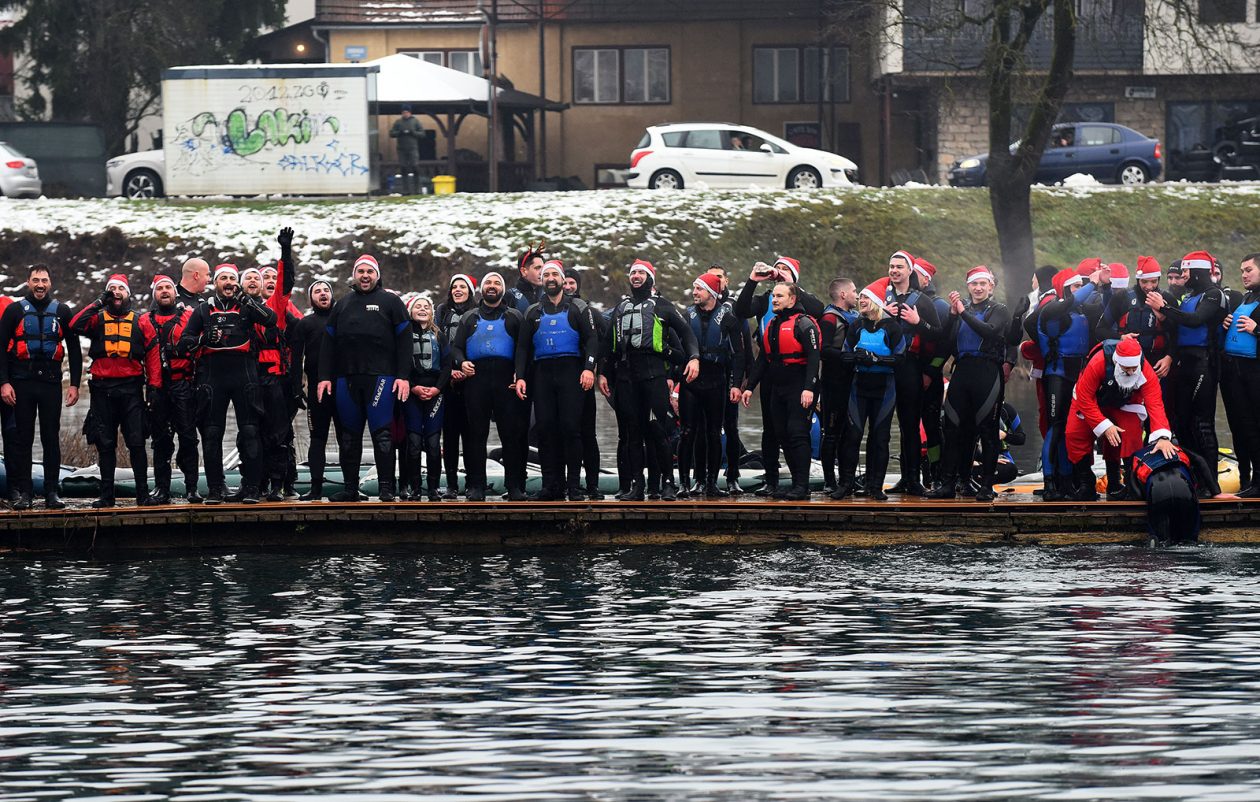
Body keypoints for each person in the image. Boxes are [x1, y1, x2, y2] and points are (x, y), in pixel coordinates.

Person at [599, 259, 699, 501]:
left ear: (650, 278)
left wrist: (694, 358)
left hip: (653, 378)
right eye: (633, 272)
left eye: (641, 273)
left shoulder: (663, 306)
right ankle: (637, 485)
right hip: (626, 380)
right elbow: (607, 347)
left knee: (656, 431)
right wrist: (602, 372)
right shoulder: (621, 308)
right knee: (633, 434)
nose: (636, 276)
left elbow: (686, 334)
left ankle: (667, 484)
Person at [316, 254, 411, 502]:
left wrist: (403, 376)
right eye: (361, 272)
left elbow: (405, 341)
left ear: (377, 275)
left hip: (381, 378)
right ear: (354, 275)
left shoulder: (391, 302)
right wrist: (324, 377)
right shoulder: (343, 304)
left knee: (382, 436)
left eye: (370, 271)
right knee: (348, 437)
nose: (365, 276)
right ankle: (350, 489)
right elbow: (328, 344)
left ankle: (386, 489)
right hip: (346, 379)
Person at [178, 263, 275, 504]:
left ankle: (252, 488)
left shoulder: (247, 306)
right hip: (213, 377)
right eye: (224, 278)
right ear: (216, 283)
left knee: (251, 431)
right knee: (211, 434)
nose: (229, 282)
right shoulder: (203, 310)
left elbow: (271, 320)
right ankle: (215, 489)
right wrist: (202, 338)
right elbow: (183, 343)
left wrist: (249, 301)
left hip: (245, 374)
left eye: (233, 278)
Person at [733, 256, 824, 494]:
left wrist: (809, 387)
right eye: (777, 269)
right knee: (773, 431)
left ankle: (800, 484)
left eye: (785, 270)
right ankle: (772, 482)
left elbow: (819, 311)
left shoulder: (803, 314)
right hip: (773, 376)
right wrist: (753, 280)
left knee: (796, 432)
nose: (778, 273)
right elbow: (741, 310)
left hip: (798, 378)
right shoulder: (767, 302)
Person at [515, 260, 599, 501]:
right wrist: (520, 376)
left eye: (555, 274)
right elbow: (522, 348)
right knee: (546, 429)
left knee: (571, 429)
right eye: (546, 275)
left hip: (571, 371)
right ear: (541, 281)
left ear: (563, 280)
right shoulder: (532, 311)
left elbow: (592, 340)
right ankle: (551, 485)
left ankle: (573, 486)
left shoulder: (578, 307)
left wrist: (589, 368)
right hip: (542, 374)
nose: (550, 278)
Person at [0, 264, 81, 510]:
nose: (40, 285)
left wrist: (75, 384)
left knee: (50, 438)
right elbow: (1, 350)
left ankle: (51, 492)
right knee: (23, 439)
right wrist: (4, 383)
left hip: (50, 384)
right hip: (21, 384)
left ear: (50, 283)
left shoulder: (62, 311)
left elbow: (75, 351)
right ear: (28, 282)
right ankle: (25, 493)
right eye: (36, 280)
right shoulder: (14, 311)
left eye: (44, 280)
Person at [927, 266, 1011, 502]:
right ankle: (950, 482)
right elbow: (944, 341)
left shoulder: (999, 309)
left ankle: (986, 485)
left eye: (983, 284)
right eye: (974, 284)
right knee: (953, 428)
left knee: (987, 430)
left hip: (987, 373)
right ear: (968, 286)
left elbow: (990, 332)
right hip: (962, 372)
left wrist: (962, 312)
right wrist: (953, 316)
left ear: (991, 287)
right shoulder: (960, 309)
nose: (978, 288)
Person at [69, 275, 152, 508]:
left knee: (136, 443)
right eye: (112, 289)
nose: (116, 292)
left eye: (120, 289)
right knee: (105, 444)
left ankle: (143, 495)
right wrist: (98, 302)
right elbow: (74, 325)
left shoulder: (141, 321)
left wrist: (153, 388)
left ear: (128, 294)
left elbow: (153, 356)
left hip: (131, 390)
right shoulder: (96, 319)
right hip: (102, 390)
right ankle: (107, 497)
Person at [1065, 337, 1173, 501]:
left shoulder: (1145, 370)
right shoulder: (1097, 363)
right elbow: (1084, 397)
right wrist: (1105, 426)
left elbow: (1155, 403)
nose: (1130, 372)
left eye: (1133, 368)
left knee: (1131, 435)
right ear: (1117, 362)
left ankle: (1121, 483)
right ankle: (1086, 482)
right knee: (1074, 434)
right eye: (1126, 368)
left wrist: (1163, 437)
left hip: (1125, 403)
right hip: (1089, 400)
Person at [451, 271, 528, 501]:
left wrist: (520, 374)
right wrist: (462, 362)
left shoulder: (514, 316)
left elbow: (523, 349)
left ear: (502, 290)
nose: (492, 286)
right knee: (476, 434)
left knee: (510, 434)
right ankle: (476, 485)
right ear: (481, 290)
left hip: (506, 380)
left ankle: (514, 486)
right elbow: (456, 347)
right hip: (477, 379)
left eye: (497, 283)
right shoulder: (470, 317)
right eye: (488, 283)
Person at [1145, 250, 1224, 472]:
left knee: (1202, 424)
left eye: (1187, 270)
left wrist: (1165, 308)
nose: (1184, 275)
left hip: (1204, 363)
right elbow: (1178, 328)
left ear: (1198, 270)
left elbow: (1196, 320)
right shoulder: (1188, 297)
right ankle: (1195, 473)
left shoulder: (1213, 294)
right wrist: (1163, 317)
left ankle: (1212, 482)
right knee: (1181, 421)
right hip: (1185, 363)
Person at [1027, 264, 1099, 499]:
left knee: (1069, 430)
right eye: (1076, 285)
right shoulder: (1052, 310)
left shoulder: (1079, 312)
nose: (1080, 289)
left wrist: (1105, 284)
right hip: (1056, 376)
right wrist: (1093, 283)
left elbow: (1104, 308)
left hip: (1076, 376)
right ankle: (1050, 484)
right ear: (1064, 288)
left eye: (1081, 285)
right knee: (1056, 427)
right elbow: (1068, 302)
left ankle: (1067, 483)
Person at [833, 281, 905, 500]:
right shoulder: (856, 325)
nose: (861, 301)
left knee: (880, 438)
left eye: (866, 298)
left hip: (884, 389)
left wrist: (877, 359)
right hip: (859, 388)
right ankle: (846, 485)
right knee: (852, 436)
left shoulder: (892, 327)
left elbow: (901, 359)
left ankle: (875, 487)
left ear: (877, 302)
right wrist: (855, 357)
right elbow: (844, 354)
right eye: (860, 297)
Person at [881, 250, 942, 496]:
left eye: (899, 267)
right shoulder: (884, 297)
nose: (894, 270)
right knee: (887, 425)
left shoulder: (922, 300)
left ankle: (915, 479)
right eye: (891, 266)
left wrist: (918, 322)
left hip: (910, 367)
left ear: (909, 271)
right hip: (886, 367)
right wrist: (881, 315)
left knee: (910, 424)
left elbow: (938, 334)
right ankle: (901, 478)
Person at [679, 272, 744, 497]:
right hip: (691, 380)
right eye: (694, 288)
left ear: (712, 293)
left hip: (717, 380)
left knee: (714, 433)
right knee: (688, 432)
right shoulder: (686, 316)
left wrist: (736, 384)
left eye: (700, 289)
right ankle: (686, 483)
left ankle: (711, 483)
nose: (694, 293)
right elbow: (677, 348)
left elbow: (738, 355)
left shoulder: (729, 319)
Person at [138, 273, 199, 505]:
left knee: (188, 438)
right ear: (155, 295)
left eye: (168, 287)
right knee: (161, 441)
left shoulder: (190, 317)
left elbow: (201, 349)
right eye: (160, 289)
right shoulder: (143, 321)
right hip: (156, 388)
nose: (164, 291)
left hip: (183, 385)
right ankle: (161, 489)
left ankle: (192, 488)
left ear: (175, 292)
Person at [288, 279, 337, 501]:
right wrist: (297, 387)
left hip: (344, 387)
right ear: (311, 298)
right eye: (317, 291)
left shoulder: (343, 320)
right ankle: (315, 488)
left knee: (348, 438)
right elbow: (296, 358)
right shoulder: (305, 324)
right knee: (318, 437)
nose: (323, 294)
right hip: (317, 389)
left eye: (326, 290)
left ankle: (351, 487)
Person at [1220, 252, 1260, 497]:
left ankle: (1258, 483)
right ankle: (1247, 479)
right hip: (1238, 371)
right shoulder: (1246, 297)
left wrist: (1258, 330)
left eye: (1249, 270)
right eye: (1242, 270)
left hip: (1256, 372)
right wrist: (1228, 323)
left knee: (1256, 427)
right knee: (1243, 428)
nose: (1243, 275)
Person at [564, 269, 606, 499]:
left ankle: (592, 485)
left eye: (572, 283)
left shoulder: (588, 310)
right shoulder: (550, 309)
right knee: (566, 433)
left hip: (585, 379)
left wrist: (599, 369)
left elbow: (605, 339)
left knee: (587, 434)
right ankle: (567, 484)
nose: (568, 286)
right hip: (561, 380)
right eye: (565, 282)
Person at [404, 296, 451, 501]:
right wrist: (413, 387)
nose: (422, 310)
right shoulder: (404, 335)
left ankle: (433, 488)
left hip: (435, 393)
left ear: (432, 313)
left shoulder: (439, 335)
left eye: (426, 307)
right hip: (412, 393)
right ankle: (415, 488)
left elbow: (447, 365)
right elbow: (399, 364)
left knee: (432, 443)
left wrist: (437, 389)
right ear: (410, 311)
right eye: (418, 306)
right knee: (413, 442)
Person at [436, 274, 477, 499]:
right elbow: (437, 344)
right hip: (448, 381)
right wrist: (448, 372)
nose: (458, 290)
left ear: (470, 291)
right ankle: (451, 484)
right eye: (455, 287)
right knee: (449, 436)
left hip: (472, 381)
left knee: (471, 435)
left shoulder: (478, 313)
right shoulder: (442, 312)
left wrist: (468, 369)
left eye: (463, 287)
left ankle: (472, 482)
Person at [819, 278, 858, 493]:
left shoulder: (855, 317)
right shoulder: (829, 318)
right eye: (853, 291)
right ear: (842, 295)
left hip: (852, 383)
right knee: (832, 433)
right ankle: (829, 481)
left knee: (850, 432)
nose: (857, 294)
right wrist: (846, 356)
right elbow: (822, 350)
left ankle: (847, 479)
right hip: (833, 384)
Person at [389, 104, 424, 194]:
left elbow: (422, 134)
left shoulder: (415, 121)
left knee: (415, 167)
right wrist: (399, 133)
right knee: (403, 168)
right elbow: (392, 133)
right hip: (401, 149)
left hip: (413, 148)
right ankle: (405, 190)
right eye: (404, 112)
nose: (405, 114)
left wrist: (413, 133)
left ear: (410, 112)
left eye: (407, 112)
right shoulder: (398, 122)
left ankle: (417, 189)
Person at [507, 241, 545, 314]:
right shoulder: (511, 296)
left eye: (543, 268)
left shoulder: (549, 293)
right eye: (537, 268)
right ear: (524, 271)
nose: (542, 272)